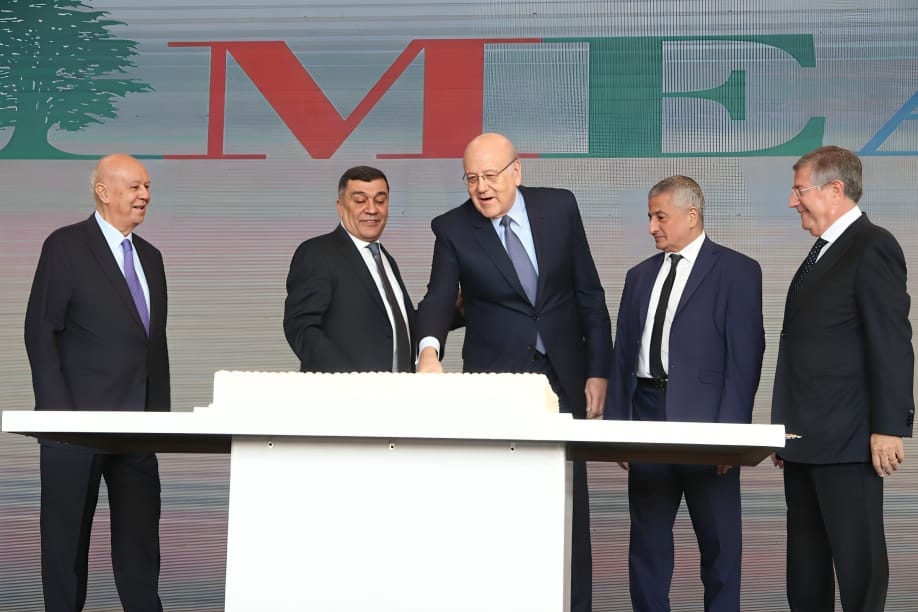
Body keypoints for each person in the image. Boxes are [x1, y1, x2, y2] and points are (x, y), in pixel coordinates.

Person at [416, 132, 612, 612]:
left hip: (564, 376)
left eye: (490, 176)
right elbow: (438, 297)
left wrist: (599, 370)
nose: (481, 188)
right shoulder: (453, 228)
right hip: (497, 384)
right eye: (471, 179)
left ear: (516, 171)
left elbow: (588, 293)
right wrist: (428, 351)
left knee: (568, 506)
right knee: (500, 506)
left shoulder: (560, 208)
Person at [605, 175, 765, 612]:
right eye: (649, 217)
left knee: (720, 547)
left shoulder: (737, 270)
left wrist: (731, 437)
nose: (651, 227)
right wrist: (617, 426)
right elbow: (623, 354)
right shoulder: (639, 276)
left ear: (691, 215)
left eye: (660, 217)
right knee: (647, 545)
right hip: (646, 419)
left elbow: (745, 357)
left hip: (709, 426)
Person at [771, 145, 914, 611]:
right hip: (803, 442)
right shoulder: (822, 252)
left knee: (858, 569)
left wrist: (889, 427)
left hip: (850, 442)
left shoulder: (873, 245)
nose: (792, 201)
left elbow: (891, 342)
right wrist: (783, 429)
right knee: (805, 573)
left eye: (799, 190)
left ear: (834, 189)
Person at [24, 154, 169, 612]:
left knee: (140, 550)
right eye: (134, 186)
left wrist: (158, 422)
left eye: (147, 186)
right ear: (103, 192)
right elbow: (41, 331)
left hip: (137, 431)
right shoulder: (66, 246)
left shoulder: (151, 257)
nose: (144, 195)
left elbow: (153, 345)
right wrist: (59, 422)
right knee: (66, 551)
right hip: (75, 430)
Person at [284, 165, 416, 372]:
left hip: (399, 388)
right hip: (344, 390)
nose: (372, 209)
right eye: (360, 201)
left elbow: (399, 325)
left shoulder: (386, 259)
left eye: (380, 200)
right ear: (340, 206)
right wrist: (347, 380)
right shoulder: (317, 253)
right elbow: (301, 327)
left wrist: (458, 309)